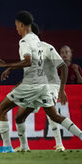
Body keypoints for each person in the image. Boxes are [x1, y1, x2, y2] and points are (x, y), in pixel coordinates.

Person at [0, 11, 82, 153]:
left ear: (22, 25)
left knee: (1, 109)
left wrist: (6, 66)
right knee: (49, 116)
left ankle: (7, 146)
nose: (16, 29)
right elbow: (34, 64)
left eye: (17, 26)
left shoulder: (24, 42)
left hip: (34, 85)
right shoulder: (37, 40)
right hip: (43, 85)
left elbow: (29, 62)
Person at [13, 23, 67, 152]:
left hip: (51, 85)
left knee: (51, 113)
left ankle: (59, 145)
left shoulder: (47, 48)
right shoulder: (26, 51)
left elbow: (62, 66)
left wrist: (61, 89)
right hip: (35, 86)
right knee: (20, 116)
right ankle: (24, 146)